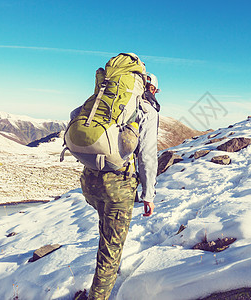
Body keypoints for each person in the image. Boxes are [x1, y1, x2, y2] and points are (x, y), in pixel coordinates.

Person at [79, 71, 160, 300]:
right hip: (118, 187)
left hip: (89, 181)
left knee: (106, 230)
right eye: (155, 89)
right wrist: (148, 195)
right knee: (110, 251)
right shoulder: (147, 111)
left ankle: (108, 273)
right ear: (149, 88)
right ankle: (99, 294)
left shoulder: (102, 102)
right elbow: (147, 157)